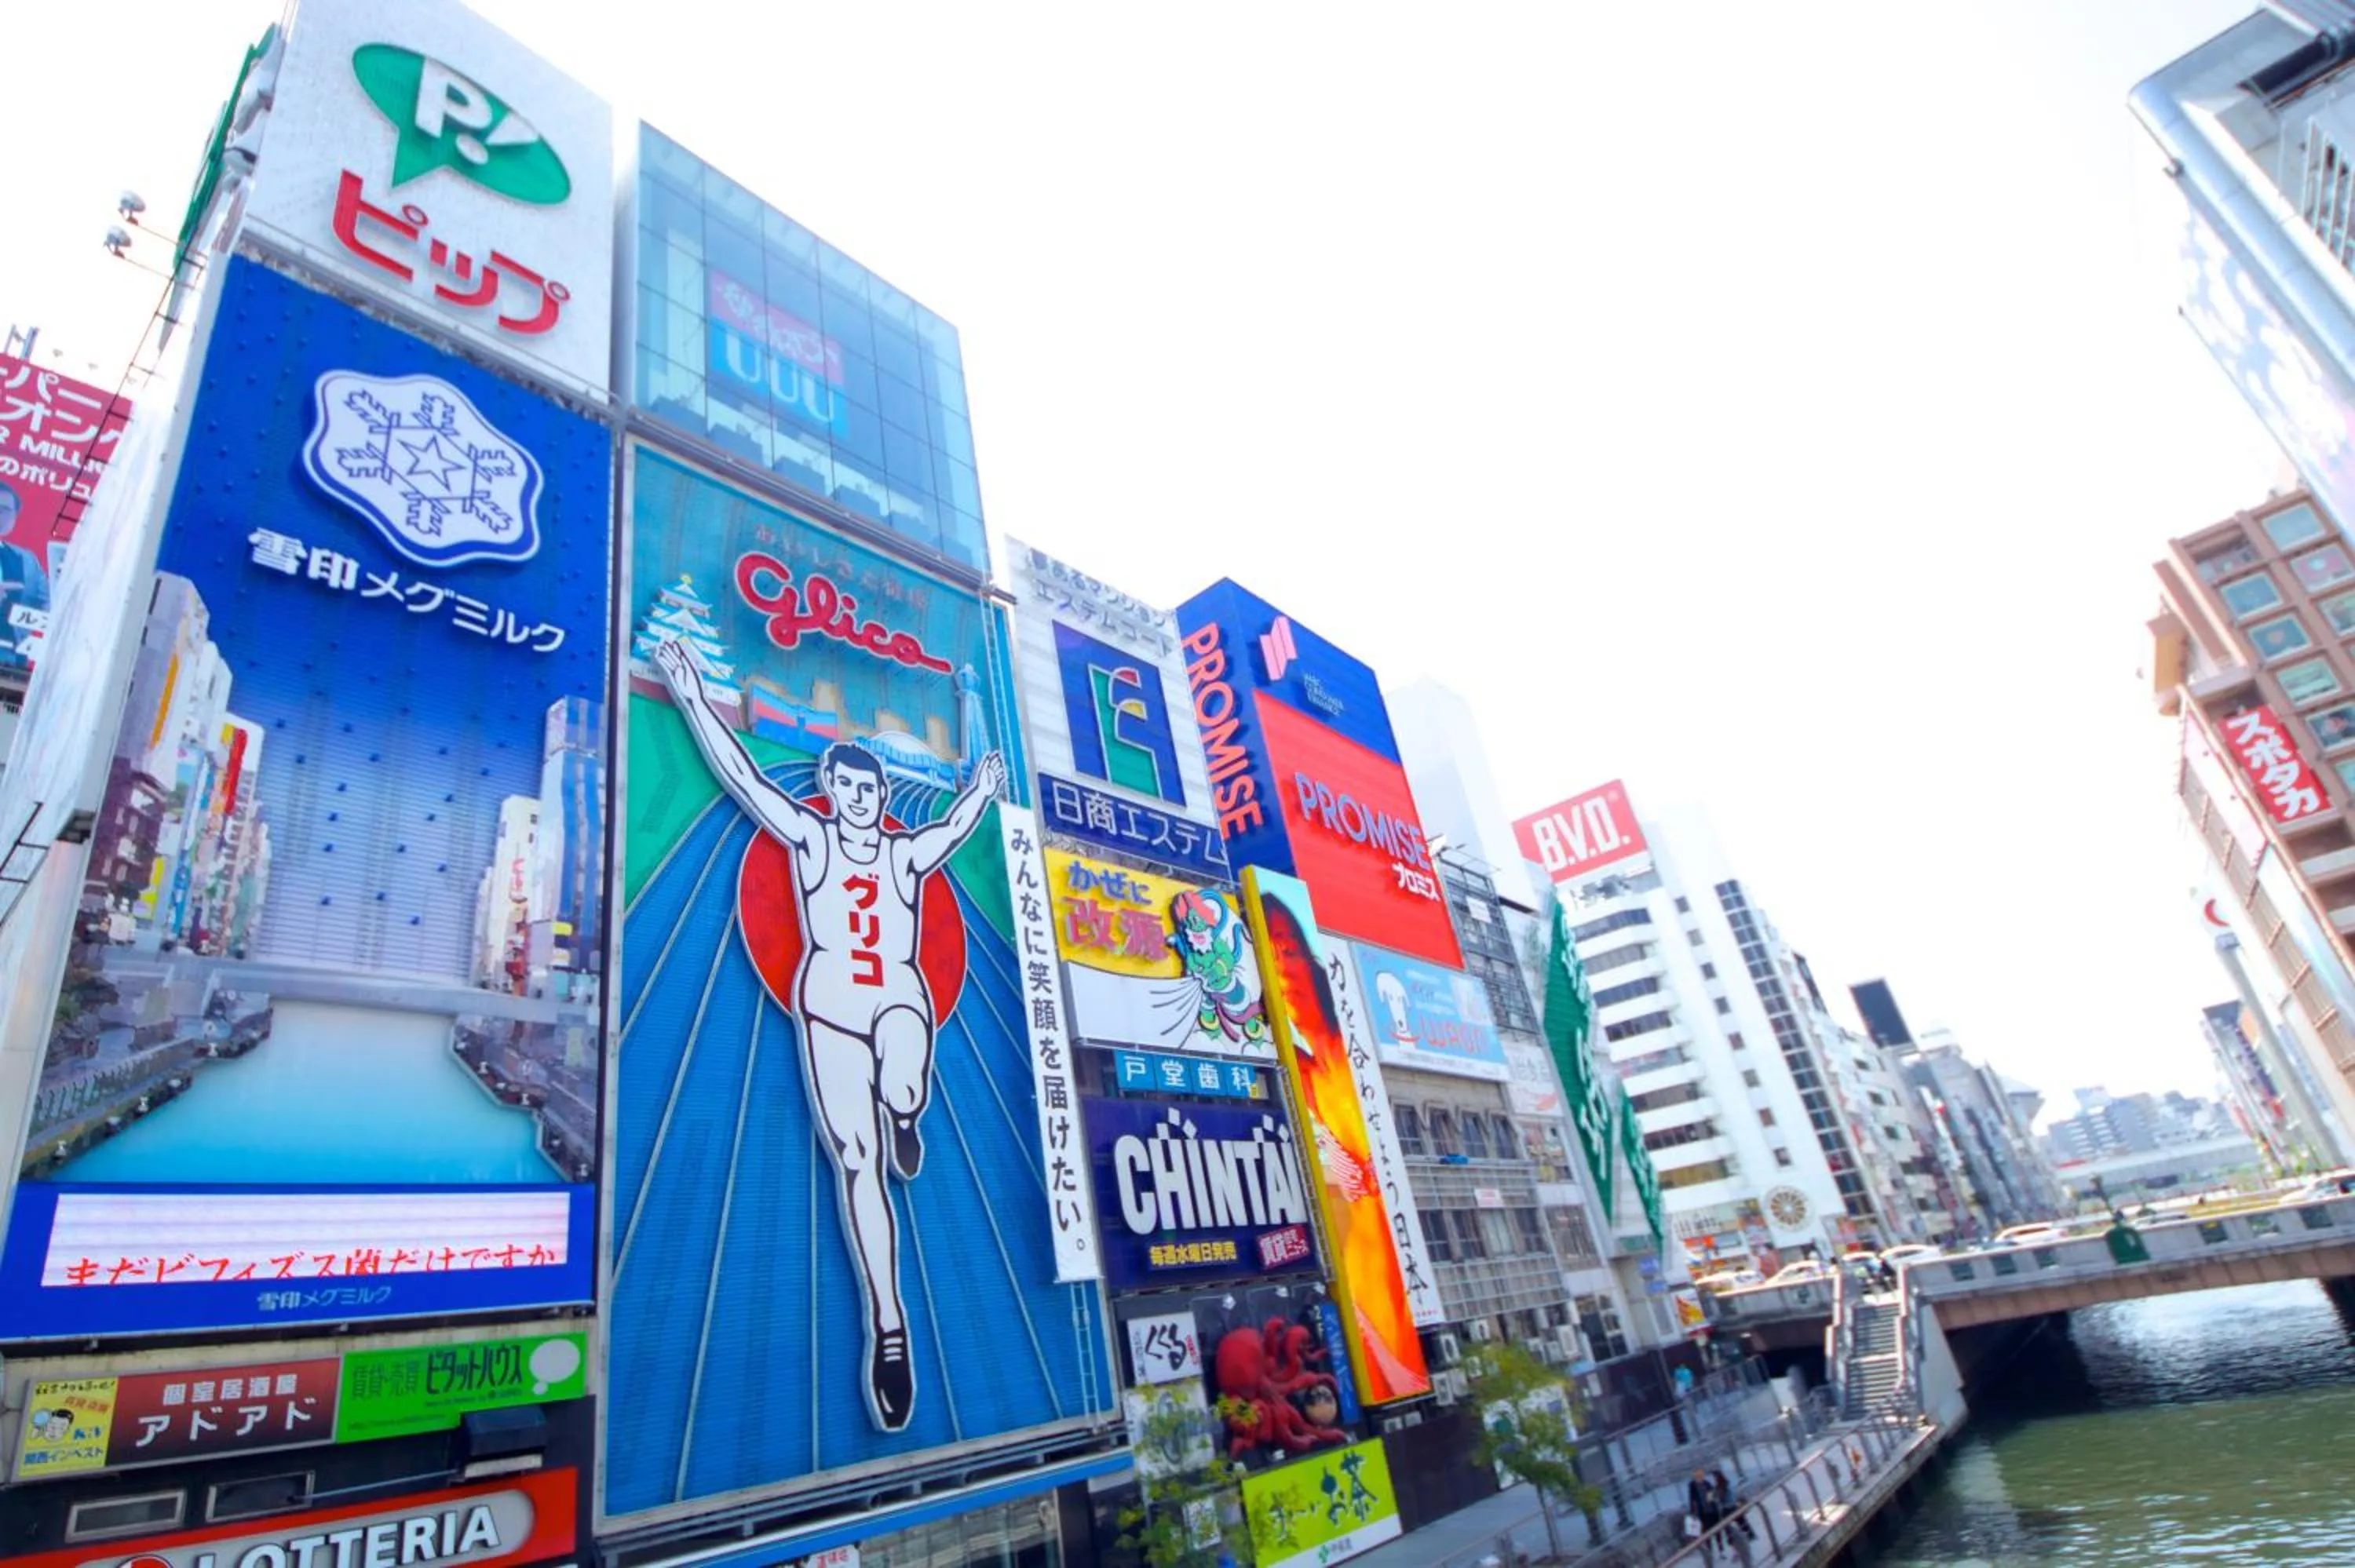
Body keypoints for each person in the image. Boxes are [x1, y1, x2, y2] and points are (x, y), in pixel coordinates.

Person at [654, 637, 1006, 1432]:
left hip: (899, 1002)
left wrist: (983, 786)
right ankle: (889, 1327)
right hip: (831, 1008)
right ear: (830, 788)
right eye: (842, 783)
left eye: (864, 785)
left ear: (878, 793)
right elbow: (742, 776)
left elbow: (955, 824)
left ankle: (908, 1111)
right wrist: (689, 692)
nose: (851, 795)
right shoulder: (808, 842)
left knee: (905, 1082)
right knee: (856, 1162)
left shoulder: (906, 855)